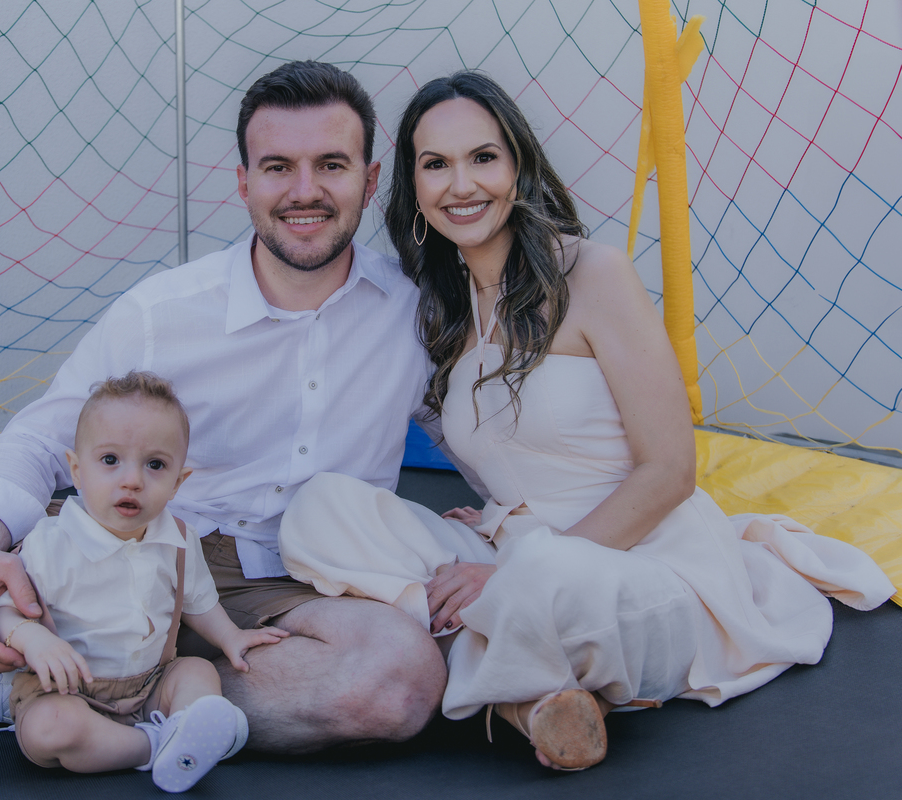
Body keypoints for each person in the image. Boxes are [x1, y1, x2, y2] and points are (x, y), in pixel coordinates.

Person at [0, 61, 447, 751]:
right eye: (278, 166)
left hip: (301, 587)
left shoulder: (417, 317)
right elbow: (39, 439)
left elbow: (489, 443)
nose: (304, 190)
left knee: (394, 680)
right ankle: (121, 690)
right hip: (127, 541)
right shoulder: (162, 313)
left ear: (369, 179)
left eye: (331, 165)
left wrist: (506, 538)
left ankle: (56, 695)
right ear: (244, 182)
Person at [277, 70, 896, 771]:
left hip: (636, 564)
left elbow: (671, 470)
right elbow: (502, 453)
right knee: (324, 509)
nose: (462, 184)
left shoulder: (594, 274)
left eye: (483, 157)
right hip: (517, 552)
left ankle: (486, 667)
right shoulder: (439, 311)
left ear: (518, 166)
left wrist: (517, 571)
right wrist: (497, 521)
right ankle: (528, 692)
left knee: (547, 574)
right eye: (437, 164)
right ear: (414, 189)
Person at [0, 371, 286, 790]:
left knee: (197, 671)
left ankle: (188, 725)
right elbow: (2, 611)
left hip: (150, 685)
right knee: (48, 731)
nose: (132, 480)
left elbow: (199, 603)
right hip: (66, 691)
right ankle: (154, 746)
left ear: (178, 482)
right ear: (77, 470)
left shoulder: (179, 539)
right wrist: (33, 639)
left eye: (155, 465)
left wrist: (231, 637)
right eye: (110, 460)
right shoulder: (50, 543)